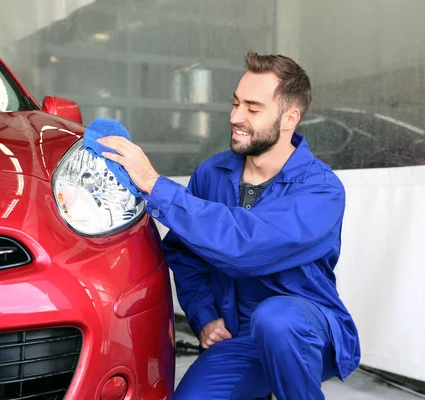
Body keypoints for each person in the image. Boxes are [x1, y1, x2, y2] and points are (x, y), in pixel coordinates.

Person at [98, 51, 360, 400]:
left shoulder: (321, 190)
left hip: (306, 333)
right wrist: (205, 316)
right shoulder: (212, 173)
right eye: (235, 103)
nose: (236, 116)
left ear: (289, 118)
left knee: (276, 319)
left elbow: (248, 245)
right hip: (242, 339)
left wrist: (153, 183)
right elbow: (184, 254)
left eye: (253, 109)